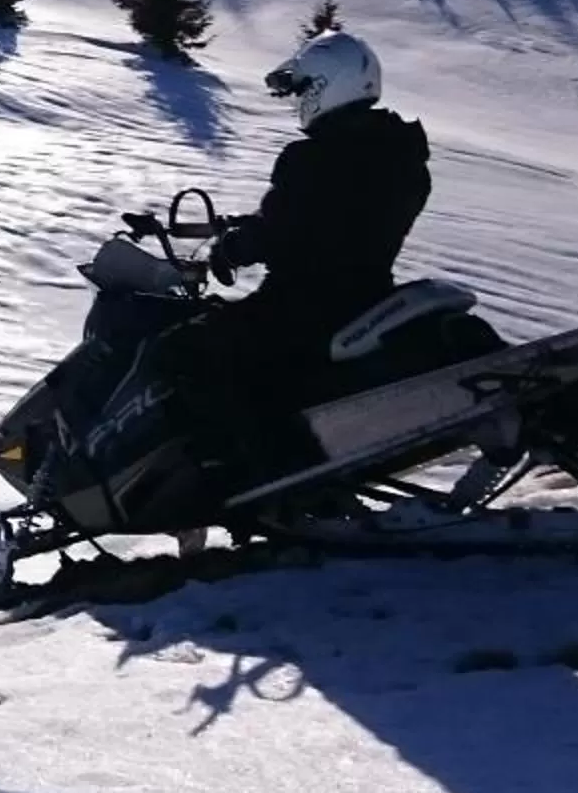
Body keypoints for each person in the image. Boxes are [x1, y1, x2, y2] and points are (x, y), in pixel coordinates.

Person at [164, 29, 431, 471]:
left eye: (303, 89)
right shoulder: (401, 154)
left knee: (187, 350)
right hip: (370, 295)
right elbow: (326, 223)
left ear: (329, 85)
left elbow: (285, 232)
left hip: (303, 304)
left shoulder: (313, 159)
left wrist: (234, 248)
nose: (297, 101)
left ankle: (262, 474)